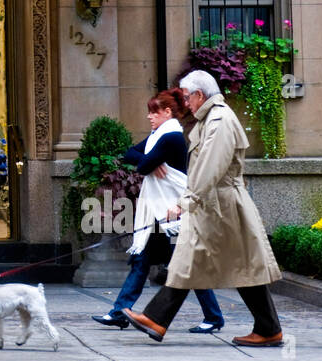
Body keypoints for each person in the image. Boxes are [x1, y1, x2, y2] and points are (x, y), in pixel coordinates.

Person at [122, 69, 284, 347]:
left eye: (186, 97)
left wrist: (185, 202)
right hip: (216, 204)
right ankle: (158, 319)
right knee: (201, 259)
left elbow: (210, 168)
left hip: (220, 205)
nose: (185, 103)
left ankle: (158, 318)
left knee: (223, 261)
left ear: (199, 94)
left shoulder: (218, 121)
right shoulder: (212, 119)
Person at [91, 89, 225, 333]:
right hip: (158, 210)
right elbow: (128, 154)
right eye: (149, 112)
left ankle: (214, 317)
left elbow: (141, 164)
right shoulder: (157, 136)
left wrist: (151, 163)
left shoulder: (171, 137)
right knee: (141, 261)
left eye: (154, 112)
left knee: (187, 265)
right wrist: (153, 163)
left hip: (174, 211)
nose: (149, 117)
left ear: (167, 112)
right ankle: (119, 312)